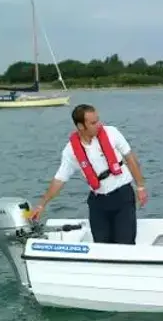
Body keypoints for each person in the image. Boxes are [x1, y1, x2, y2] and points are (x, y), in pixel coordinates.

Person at [29, 103, 148, 244]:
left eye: (98, 120)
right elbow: (59, 180)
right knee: (101, 245)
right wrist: (42, 204)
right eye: (93, 123)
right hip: (98, 203)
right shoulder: (70, 151)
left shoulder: (111, 133)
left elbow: (130, 157)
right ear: (80, 126)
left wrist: (140, 186)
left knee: (125, 243)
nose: (98, 125)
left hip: (122, 196)